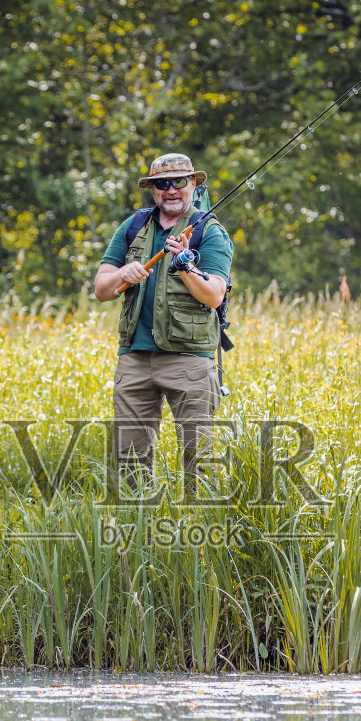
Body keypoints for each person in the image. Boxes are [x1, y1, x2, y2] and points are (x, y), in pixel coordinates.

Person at [92, 152, 234, 494]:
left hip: (190, 362)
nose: (170, 190)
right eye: (161, 184)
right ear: (153, 189)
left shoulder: (209, 231)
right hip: (135, 360)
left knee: (200, 462)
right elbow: (101, 288)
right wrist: (123, 273)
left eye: (179, 182)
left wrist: (185, 264)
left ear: (194, 185)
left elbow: (214, 295)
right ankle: (139, 537)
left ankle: (200, 538)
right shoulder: (134, 226)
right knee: (130, 464)